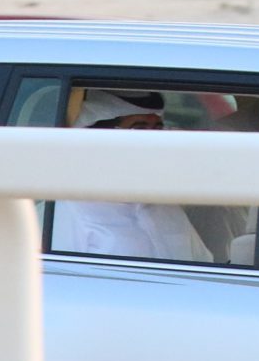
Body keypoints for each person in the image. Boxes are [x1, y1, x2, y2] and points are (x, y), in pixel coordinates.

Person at [50, 90, 215, 263]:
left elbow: (203, 266)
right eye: (139, 130)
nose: (153, 143)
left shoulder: (165, 206)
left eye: (157, 130)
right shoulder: (66, 210)